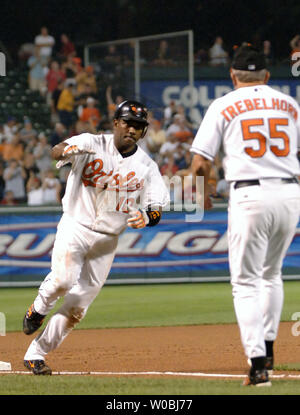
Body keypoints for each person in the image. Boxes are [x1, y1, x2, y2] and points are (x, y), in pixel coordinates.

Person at [22, 99, 170, 375]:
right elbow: (57, 153)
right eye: (127, 123)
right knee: (63, 280)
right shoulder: (91, 143)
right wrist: (67, 148)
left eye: (138, 126)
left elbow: (156, 207)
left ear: (144, 132)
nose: (132, 130)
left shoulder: (146, 166)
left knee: (78, 306)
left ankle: (36, 353)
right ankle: (39, 308)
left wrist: (148, 217)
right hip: (75, 225)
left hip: (107, 241)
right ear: (116, 123)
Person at [190, 45, 300, 387]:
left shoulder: (223, 104)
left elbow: (200, 162)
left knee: (245, 282)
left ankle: (257, 366)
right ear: (267, 76)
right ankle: (267, 349)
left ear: (233, 76)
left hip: (249, 194)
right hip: (289, 193)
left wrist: (201, 193)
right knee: (272, 274)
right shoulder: (290, 104)